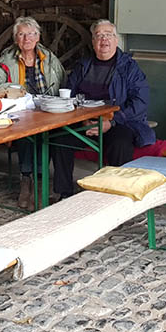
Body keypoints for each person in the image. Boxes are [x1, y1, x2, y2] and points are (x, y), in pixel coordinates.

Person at [52, 20, 154, 199]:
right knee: (60, 139)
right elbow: (70, 95)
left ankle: (116, 197)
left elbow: (140, 101)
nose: (104, 39)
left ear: (116, 41)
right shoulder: (83, 66)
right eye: (99, 35)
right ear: (93, 42)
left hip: (118, 121)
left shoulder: (129, 67)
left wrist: (112, 121)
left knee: (120, 144)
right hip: (85, 122)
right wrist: (80, 119)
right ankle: (65, 193)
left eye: (108, 35)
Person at [0, 16, 65, 208]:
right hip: (21, 111)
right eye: (21, 35)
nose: (26, 39)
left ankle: (39, 183)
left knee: (45, 134)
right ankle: (26, 180)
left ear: (38, 37)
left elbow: (63, 80)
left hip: (46, 109)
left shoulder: (48, 59)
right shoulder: (7, 60)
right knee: (25, 134)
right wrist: (15, 90)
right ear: (16, 39)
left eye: (31, 34)